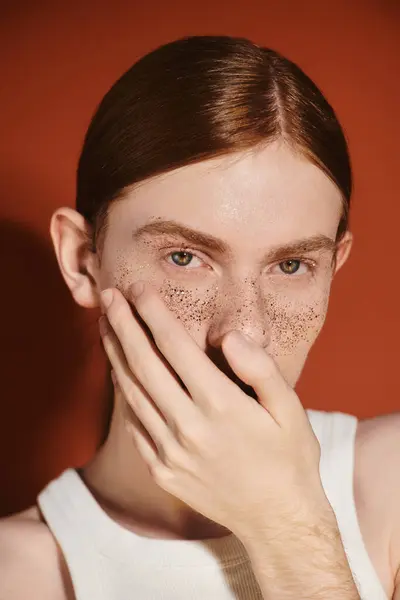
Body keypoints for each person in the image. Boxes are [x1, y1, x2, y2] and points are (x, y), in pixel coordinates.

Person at [0, 34, 398, 600]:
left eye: (291, 265)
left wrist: (286, 526)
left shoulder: (394, 486)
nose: (245, 334)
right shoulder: (18, 575)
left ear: (335, 266)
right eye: (185, 258)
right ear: (82, 261)